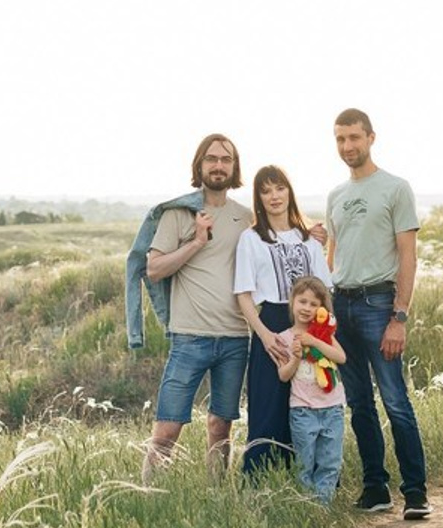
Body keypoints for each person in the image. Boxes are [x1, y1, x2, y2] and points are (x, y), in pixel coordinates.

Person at [326, 109, 431, 520]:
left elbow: (408, 257)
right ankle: (375, 489)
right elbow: (333, 258)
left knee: (395, 401)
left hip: (378, 306)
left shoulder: (395, 188)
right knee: (359, 403)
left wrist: (399, 317)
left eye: (354, 137)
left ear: (371, 137)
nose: (348, 146)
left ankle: (416, 492)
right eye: (340, 139)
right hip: (341, 306)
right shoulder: (336, 195)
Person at [142, 134, 252, 483]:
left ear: (234, 168)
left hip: (235, 338)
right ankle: (150, 498)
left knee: (221, 428)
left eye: (226, 159)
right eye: (211, 158)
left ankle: (217, 494)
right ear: (200, 165)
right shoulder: (178, 213)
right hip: (189, 338)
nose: (218, 165)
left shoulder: (246, 217)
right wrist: (197, 242)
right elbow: (154, 268)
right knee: (166, 431)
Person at [233, 165, 330, 474]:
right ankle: (260, 482)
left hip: (309, 325)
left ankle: (310, 478)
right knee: (267, 404)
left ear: (289, 191)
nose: (273, 196)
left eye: (279, 188)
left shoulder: (309, 240)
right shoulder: (251, 239)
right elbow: (244, 294)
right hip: (271, 322)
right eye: (265, 191)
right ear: (258, 199)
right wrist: (262, 334)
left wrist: (319, 336)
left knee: (307, 401)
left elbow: (325, 290)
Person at [275, 275, 347, 504]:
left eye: (314, 304)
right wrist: (296, 358)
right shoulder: (284, 338)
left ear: (322, 309)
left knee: (329, 461)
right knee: (304, 462)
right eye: (302, 302)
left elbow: (341, 357)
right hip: (303, 409)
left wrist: (314, 342)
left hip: (332, 407)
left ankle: (323, 507)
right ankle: (306, 506)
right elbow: (283, 375)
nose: (307, 308)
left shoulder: (325, 336)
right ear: (292, 303)